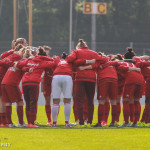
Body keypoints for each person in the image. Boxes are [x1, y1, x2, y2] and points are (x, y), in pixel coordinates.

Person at [16, 47, 59, 127]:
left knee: (28, 103)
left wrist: (27, 69)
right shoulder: (42, 62)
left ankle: (29, 122)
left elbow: (19, 65)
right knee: (33, 103)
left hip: (25, 82)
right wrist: (57, 57)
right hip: (34, 83)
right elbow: (54, 63)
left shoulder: (29, 60)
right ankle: (32, 123)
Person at [66, 39, 107, 125]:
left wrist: (79, 62)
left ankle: (81, 121)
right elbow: (104, 60)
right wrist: (91, 65)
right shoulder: (94, 53)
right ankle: (89, 121)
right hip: (91, 79)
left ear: (78, 47)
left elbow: (69, 59)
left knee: (79, 100)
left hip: (80, 78)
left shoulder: (76, 52)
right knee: (90, 101)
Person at [51, 52, 73, 127]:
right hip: (67, 76)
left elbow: (51, 64)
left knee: (55, 101)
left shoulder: (57, 60)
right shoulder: (70, 61)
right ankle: (66, 123)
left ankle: (54, 123)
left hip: (56, 76)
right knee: (67, 100)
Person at [42, 46, 53, 125]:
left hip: (54, 83)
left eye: (48, 50)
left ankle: (54, 120)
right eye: (46, 50)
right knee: (47, 101)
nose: (47, 52)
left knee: (56, 100)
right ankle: (49, 120)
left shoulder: (51, 59)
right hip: (46, 83)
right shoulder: (42, 60)